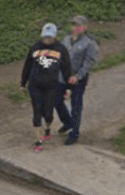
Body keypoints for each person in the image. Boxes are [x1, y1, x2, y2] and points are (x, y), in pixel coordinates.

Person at [20, 22, 71, 153]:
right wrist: (23, 83)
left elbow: (66, 69)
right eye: (45, 37)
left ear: (55, 36)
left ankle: (47, 128)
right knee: (37, 113)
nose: (47, 39)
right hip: (35, 85)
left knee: (48, 113)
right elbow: (27, 66)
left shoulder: (61, 49)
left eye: (50, 37)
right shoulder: (35, 47)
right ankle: (38, 141)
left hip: (52, 86)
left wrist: (68, 87)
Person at [56, 14, 99, 145]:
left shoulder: (89, 43)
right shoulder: (66, 39)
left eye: (79, 25)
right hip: (62, 77)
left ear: (85, 27)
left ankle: (74, 133)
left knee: (76, 105)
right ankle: (67, 122)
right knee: (56, 100)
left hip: (77, 78)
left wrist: (78, 76)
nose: (76, 27)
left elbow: (89, 62)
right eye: (74, 25)